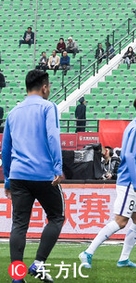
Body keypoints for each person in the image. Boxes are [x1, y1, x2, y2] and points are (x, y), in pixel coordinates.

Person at [80, 93, 136, 270]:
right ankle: (88, 252)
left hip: (133, 180)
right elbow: (128, 155)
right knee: (121, 221)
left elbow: (134, 156)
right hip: (130, 182)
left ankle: (123, 259)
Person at [2, 69, 65, 283]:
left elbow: (5, 148)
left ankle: (17, 278)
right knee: (56, 217)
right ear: (44, 87)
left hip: (19, 175)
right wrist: (58, 167)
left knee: (19, 225)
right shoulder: (48, 107)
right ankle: (38, 263)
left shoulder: (14, 112)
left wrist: (8, 178)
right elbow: (52, 137)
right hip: (44, 174)